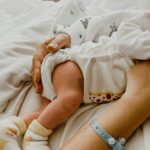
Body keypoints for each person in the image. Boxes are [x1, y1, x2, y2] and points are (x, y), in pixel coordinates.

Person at [0, 11, 150, 150]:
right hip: (76, 65)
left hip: (84, 81)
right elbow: (124, 33)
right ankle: (35, 138)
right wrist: (67, 35)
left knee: (48, 111)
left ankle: (10, 128)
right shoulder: (140, 31)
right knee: (69, 100)